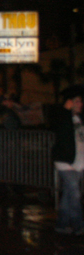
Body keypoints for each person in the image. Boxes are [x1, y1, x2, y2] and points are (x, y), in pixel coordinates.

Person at [50, 89, 84, 235]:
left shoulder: (80, 119)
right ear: (69, 103)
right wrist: (65, 110)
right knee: (75, 193)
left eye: (81, 101)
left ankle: (61, 225)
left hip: (79, 161)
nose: (80, 104)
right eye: (77, 101)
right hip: (65, 161)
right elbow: (58, 127)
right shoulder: (63, 116)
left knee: (68, 195)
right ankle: (78, 226)